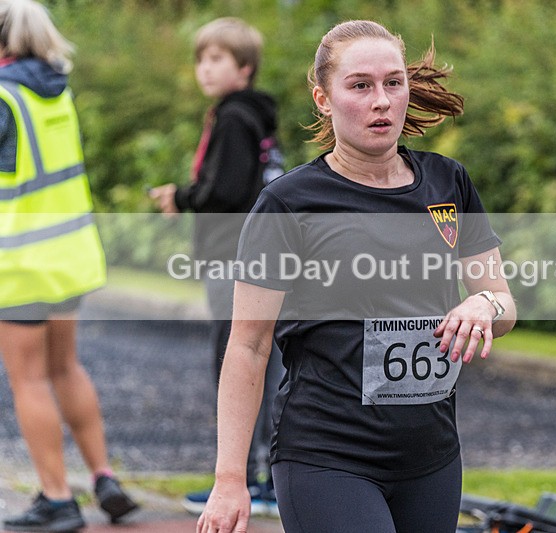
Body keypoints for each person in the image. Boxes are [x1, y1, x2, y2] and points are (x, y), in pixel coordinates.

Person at [197, 19, 517, 533]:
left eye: (394, 83)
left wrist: (484, 306)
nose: (382, 101)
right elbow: (248, 347)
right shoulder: (289, 204)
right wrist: (229, 477)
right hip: (326, 455)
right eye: (360, 86)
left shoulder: (447, 182)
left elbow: (502, 303)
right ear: (323, 99)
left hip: (431, 457)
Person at [0, 1, 138, 531]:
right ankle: (105, 478)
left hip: (20, 263)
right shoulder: (55, 88)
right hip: (68, 254)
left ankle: (57, 499)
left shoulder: (5, 96)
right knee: (65, 368)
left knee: (29, 381)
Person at [148, 16, 283, 517]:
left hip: (235, 259)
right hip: (262, 256)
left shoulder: (232, 118)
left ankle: (246, 480)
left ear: (244, 68)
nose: (205, 68)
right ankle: (270, 477)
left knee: (236, 361)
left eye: (217, 58)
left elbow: (226, 192)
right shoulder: (256, 116)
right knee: (267, 363)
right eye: (201, 58)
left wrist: (182, 197)